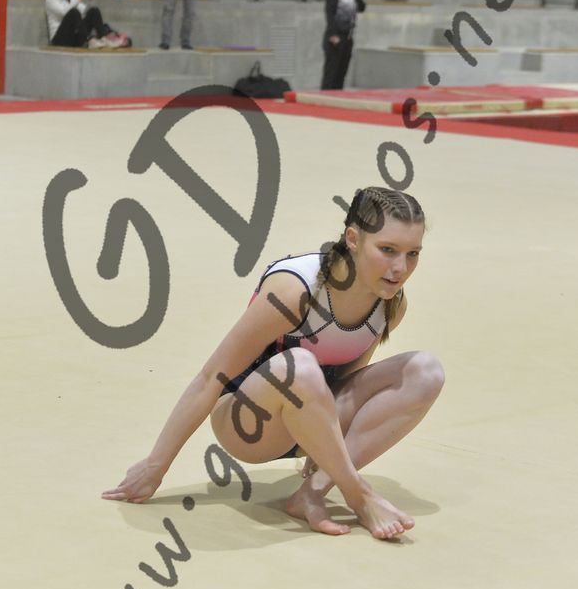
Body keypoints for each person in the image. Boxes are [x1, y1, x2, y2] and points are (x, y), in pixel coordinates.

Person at [103, 184, 443, 541]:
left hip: (311, 418)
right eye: (387, 250)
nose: (400, 268)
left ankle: (311, 493)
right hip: (248, 426)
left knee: (425, 371)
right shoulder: (295, 290)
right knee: (299, 365)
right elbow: (211, 377)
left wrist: (325, 448)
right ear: (353, 239)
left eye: (413, 254)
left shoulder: (391, 303)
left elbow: (350, 376)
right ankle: (359, 495)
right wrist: (156, 466)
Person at [45, 0, 130, 48]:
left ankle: (104, 39)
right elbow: (64, 12)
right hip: (59, 40)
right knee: (74, 12)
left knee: (94, 10)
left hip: (73, 39)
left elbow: (86, 11)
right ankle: (89, 40)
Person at [322, 0, 365, 89]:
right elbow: (330, 12)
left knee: (341, 72)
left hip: (347, 36)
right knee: (332, 72)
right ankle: (326, 95)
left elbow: (362, 7)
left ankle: (337, 93)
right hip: (336, 36)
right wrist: (333, 33)